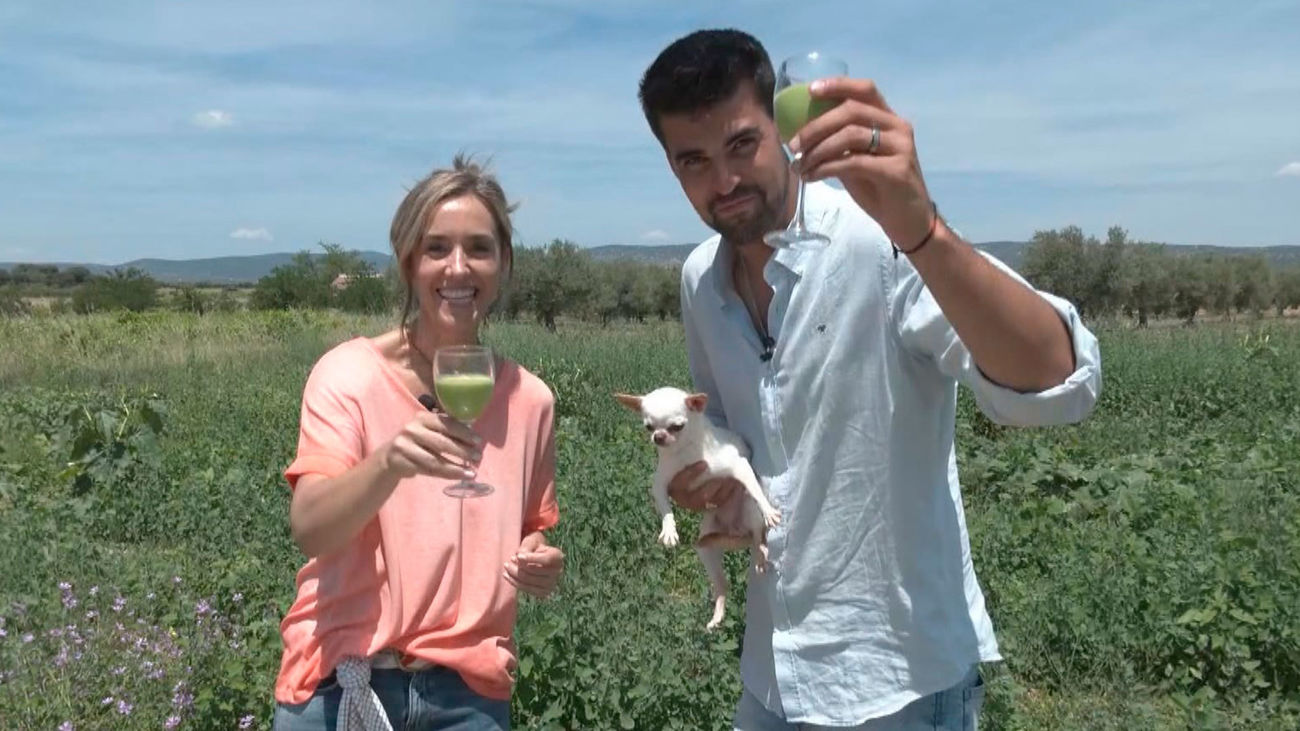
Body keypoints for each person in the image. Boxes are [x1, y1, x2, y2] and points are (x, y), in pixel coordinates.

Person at [637, 29, 1102, 730]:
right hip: (772, 672)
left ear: (782, 128)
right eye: (694, 160)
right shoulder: (700, 279)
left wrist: (923, 230)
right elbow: (728, 432)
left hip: (897, 680)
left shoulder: (878, 238)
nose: (724, 181)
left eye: (741, 144)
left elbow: (1058, 384)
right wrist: (705, 481)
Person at [271, 154, 564, 731]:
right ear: (409, 263)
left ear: (503, 264)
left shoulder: (530, 401)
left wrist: (540, 560)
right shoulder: (348, 376)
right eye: (436, 248)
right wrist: (389, 463)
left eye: (478, 248)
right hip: (342, 681)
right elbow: (310, 527)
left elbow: (529, 526)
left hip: (467, 696)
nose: (458, 267)